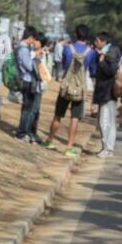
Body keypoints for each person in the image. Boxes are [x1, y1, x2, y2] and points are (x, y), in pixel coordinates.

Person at [45, 24, 97, 156]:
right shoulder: (91, 52)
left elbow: (64, 65)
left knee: (58, 115)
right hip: (79, 89)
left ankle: (49, 140)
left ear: (75, 34)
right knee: (74, 118)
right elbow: (92, 71)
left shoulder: (67, 49)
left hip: (66, 86)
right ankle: (69, 147)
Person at [91, 32, 121, 157]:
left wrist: (102, 62)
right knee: (105, 120)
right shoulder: (103, 52)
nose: (95, 43)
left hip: (107, 91)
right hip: (103, 91)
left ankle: (108, 148)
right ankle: (107, 147)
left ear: (103, 41)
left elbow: (110, 71)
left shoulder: (110, 53)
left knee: (105, 120)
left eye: (97, 40)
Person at [13, 26, 43, 143]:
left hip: (27, 81)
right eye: (33, 39)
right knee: (27, 109)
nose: (33, 42)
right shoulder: (23, 50)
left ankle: (23, 131)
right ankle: (21, 133)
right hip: (27, 81)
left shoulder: (22, 48)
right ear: (30, 37)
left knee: (27, 108)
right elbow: (30, 66)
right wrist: (36, 57)